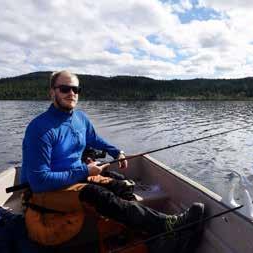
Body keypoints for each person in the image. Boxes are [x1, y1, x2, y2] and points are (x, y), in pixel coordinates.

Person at [20, 70, 205, 250]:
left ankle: (142, 237)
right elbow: (39, 182)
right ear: (52, 92)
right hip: (46, 191)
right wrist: (85, 171)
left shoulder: (80, 118)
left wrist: (116, 152)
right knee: (98, 194)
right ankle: (168, 225)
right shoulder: (40, 129)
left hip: (74, 178)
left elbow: (94, 139)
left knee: (121, 187)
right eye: (65, 89)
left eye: (76, 90)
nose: (71, 94)